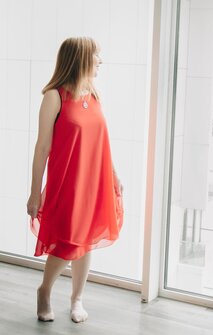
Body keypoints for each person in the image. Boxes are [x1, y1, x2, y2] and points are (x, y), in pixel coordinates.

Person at [26, 37, 124, 323]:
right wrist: (35, 193)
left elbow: (102, 141)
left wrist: (114, 175)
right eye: (97, 56)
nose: (100, 62)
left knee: (87, 239)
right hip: (68, 182)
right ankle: (44, 291)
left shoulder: (93, 93)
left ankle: (77, 299)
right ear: (81, 58)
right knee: (68, 242)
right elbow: (42, 148)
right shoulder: (54, 97)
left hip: (96, 180)